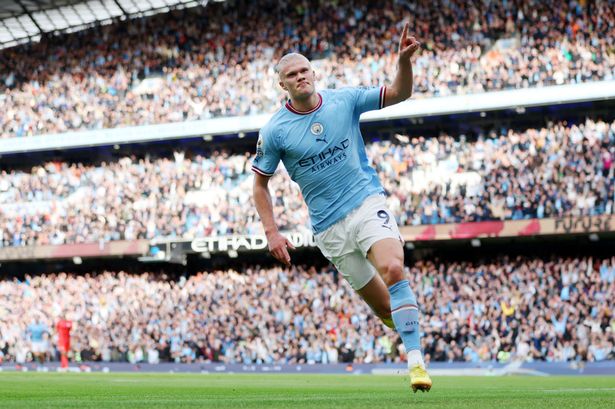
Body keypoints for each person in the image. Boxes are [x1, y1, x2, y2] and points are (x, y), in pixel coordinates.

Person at [252, 23, 431, 392]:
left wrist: (403, 63)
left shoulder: (344, 100)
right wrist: (271, 231)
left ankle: (416, 364)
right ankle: (403, 321)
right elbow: (259, 183)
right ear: (281, 85)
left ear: (313, 73)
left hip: (365, 201)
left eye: (304, 70)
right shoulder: (275, 132)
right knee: (385, 309)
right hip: (329, 229)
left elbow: (399, 92)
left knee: (394, 267)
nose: (300, 77)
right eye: (291, 75)